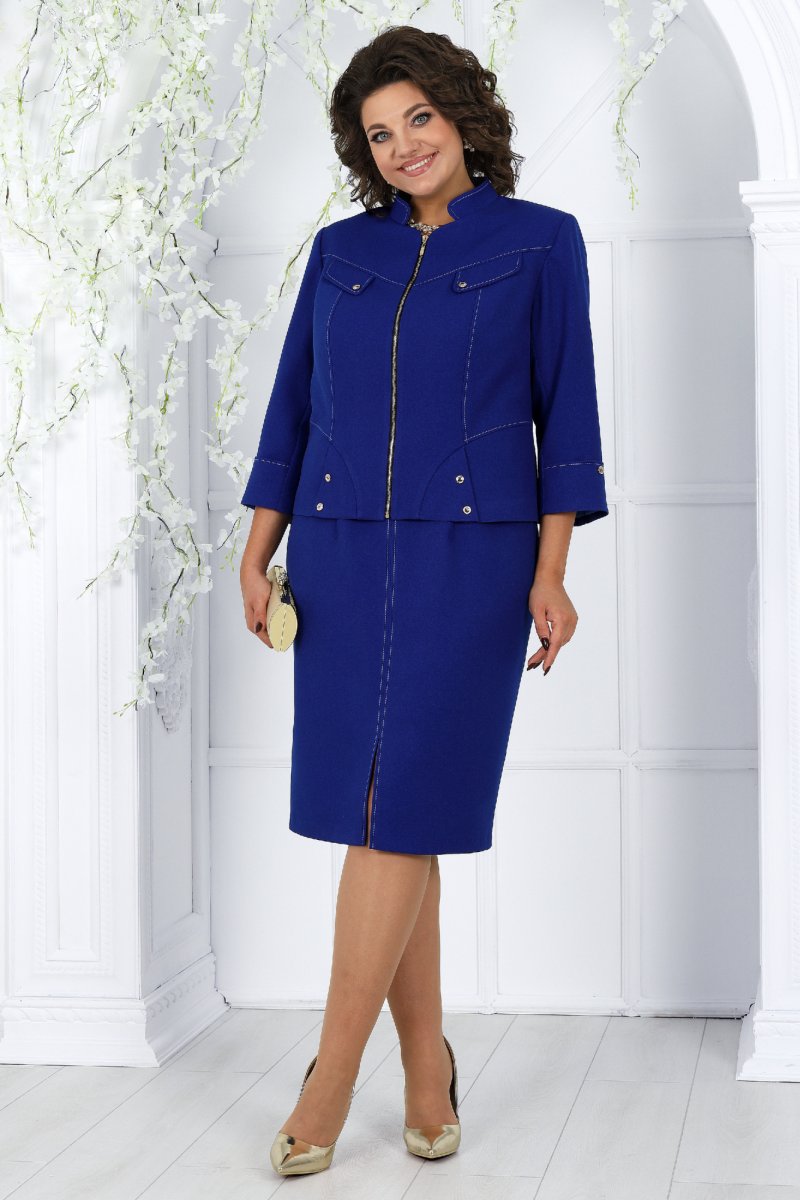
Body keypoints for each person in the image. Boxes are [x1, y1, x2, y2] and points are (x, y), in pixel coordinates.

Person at [238, 24, 608, 1176]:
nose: (402, 145)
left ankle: (328, 1081)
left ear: (459, 114)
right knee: (385, 814)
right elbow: (292, 407)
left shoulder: (540, 241)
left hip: (470, 562)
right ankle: (426, 1071)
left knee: (398, 810)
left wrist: (550, 571)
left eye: (418, 118)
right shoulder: (339, 253)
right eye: (378, 133)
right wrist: (256, 551)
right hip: (339, 557)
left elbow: (566, 414)